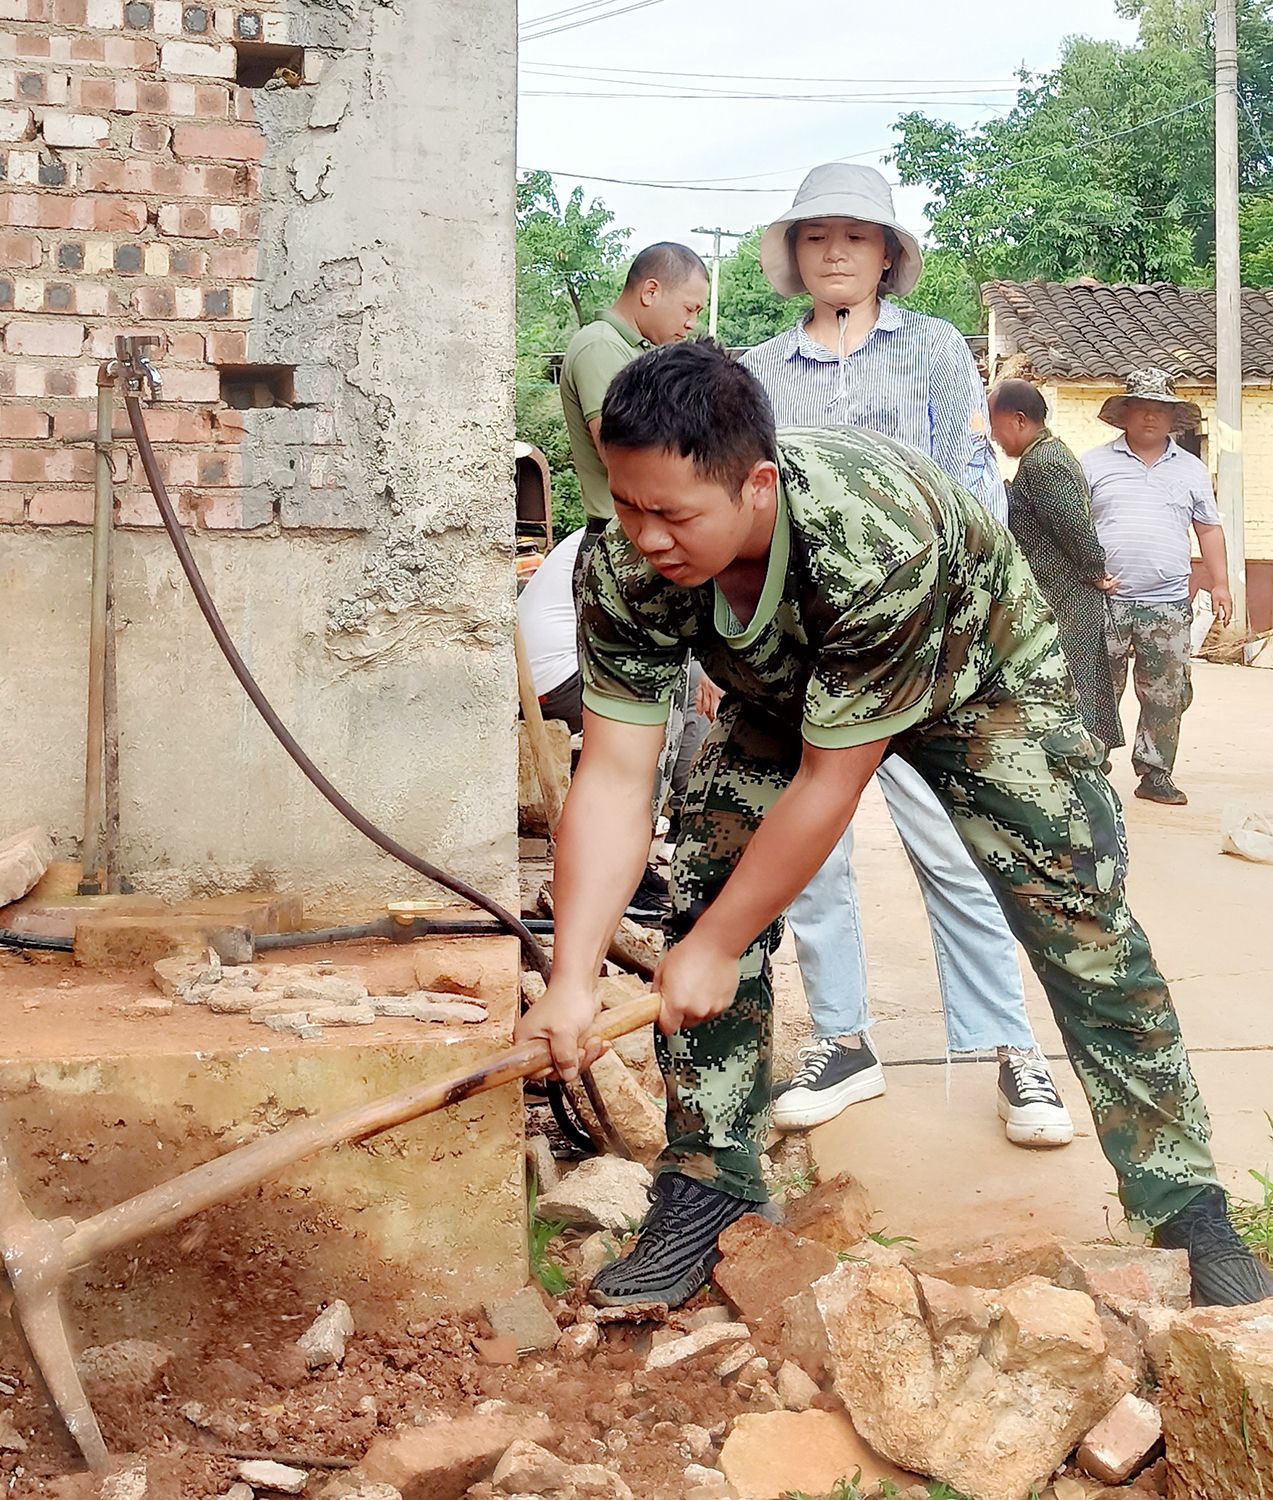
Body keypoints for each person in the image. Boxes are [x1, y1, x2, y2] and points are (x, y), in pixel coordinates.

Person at [514, 339, 1271, 1313]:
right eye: (627, 504)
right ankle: (707, 1183)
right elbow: (615, 776)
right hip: (790, 688)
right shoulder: (624, 567)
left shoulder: (870, 536)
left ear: (755, 485)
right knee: (708, 876)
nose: (646, 536)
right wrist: (572, 978)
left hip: (974, 673)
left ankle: (1183, 1199)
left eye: (673, 513)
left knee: (1073, 908)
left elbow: (832, 787)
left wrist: (718, 943)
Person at [739, 163, 1071, 1148]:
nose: (835, 249)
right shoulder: (757, 373)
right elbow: (748, 512)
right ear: (795, 257)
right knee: (815, 858)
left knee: (961, 848)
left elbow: (977, 490)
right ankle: (842, 1041)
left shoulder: (932, 352)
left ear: (888, 254)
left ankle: (1013, 1049)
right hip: (804, 652)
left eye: (856, 234)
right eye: (814, 235)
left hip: (924, 645)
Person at [1081, 369, 1233, 807]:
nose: (1150, 417)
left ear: (1172, 419)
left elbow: (1208, 529)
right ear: (1124, 415)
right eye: (1142, 408)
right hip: (1105, 599)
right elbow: (1073, 529)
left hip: (1167, 603)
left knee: (1166, 693)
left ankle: (1155, 772)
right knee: (1096, 687)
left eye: (1160, 410)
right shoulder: (1093, 464)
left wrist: (1220, 584)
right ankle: (1091, 766)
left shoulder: (1191, 470)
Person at [560, 242, 709, 594]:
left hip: (642, 540)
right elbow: (621, 453)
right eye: (689, 309)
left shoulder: (640, 352)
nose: (691, 324)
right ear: (651, 291)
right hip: (618, 544)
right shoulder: (600, 346)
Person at [988, 379, 1124, 756]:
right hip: (1062, 591)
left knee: (1069, 684)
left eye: (994, 423)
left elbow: (1072, 525)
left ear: (1018, 420)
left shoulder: (1045, 462)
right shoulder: (1041, 456)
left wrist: (1095, 569)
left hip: (1066, 595)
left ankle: (1083, 761)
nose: (993, 436)